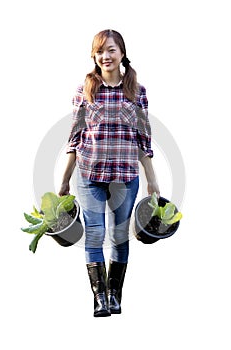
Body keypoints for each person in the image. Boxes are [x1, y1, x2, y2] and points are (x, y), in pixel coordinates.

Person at [59, 29, 160, 317]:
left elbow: (144, 139)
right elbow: (75, 137)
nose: (106, 56)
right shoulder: (85, 89)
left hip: (125, 176)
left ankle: (115, 295)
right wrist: (65, 179)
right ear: (94, 55)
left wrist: (152, 179)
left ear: (122, 53)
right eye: (100, 50)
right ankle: (99, 298)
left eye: (111, 50)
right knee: (94, 234)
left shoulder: (137, 92)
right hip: (90, 174)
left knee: (118, 235)